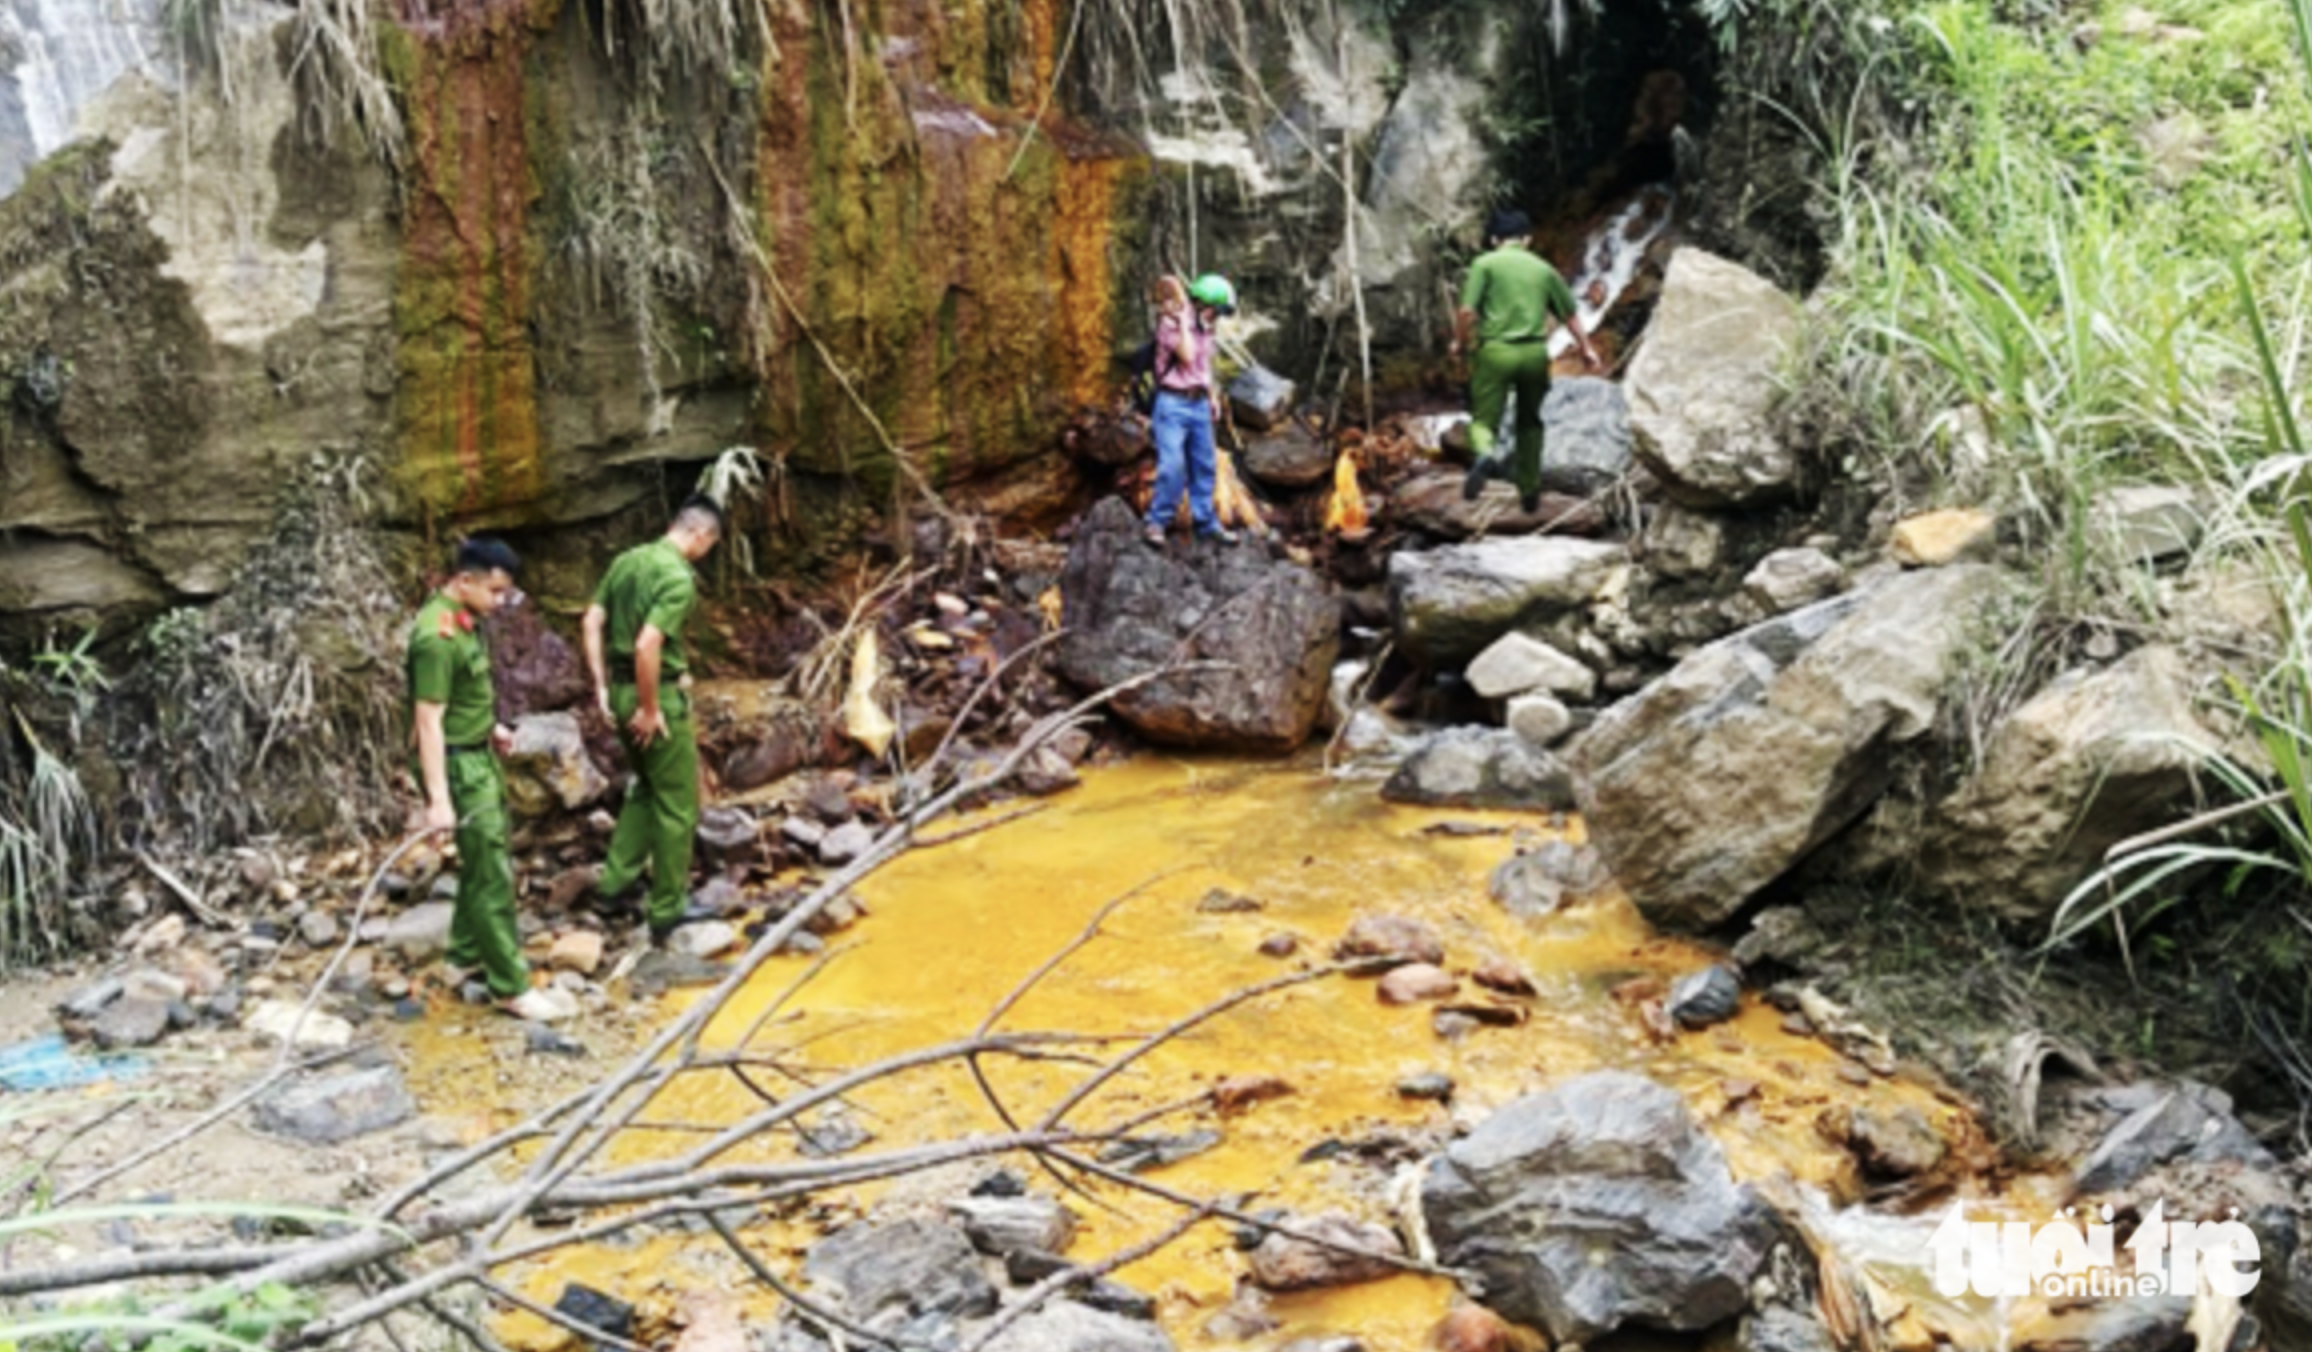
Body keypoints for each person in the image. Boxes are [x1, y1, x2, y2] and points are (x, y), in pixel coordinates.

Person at [406, 536, 565, 1022]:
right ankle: (509, 986)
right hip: (458, 765)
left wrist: (488, 727)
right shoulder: (437, 637)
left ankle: (462, 955)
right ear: (465, 580)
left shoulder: (464, 620)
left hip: (475, 750)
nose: (501, 602)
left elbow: (462, 695)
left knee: (482, 857)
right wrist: (438, 802)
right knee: (493, 869)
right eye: (494, 592)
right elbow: (428, 720)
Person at [583, 496, 724, 943]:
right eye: (710, 544)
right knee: (677, 804)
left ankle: (613, 888)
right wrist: (650, 708)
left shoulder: (628, 561)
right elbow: (648, 644)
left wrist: (602, 686)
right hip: (655, 696)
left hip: (620, 692)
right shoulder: (677, 576)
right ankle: (667, 909)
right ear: (700, 536)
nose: (705, 553)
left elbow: (591, 619)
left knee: (645, 788)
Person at [1451, 210, 1603, 513]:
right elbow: (1570, 315)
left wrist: (1460, 341)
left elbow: (1467, 312)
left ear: (1494, 240)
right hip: (1534, 354)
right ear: (1527, 240)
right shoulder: (1543, 269)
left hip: (1495, 352)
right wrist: (1587, 348)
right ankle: (1530, 492)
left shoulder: (1484, 264)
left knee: (1483, 420)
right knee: (1530, 424)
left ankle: (1484, 454)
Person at [1143, 272, 1239, 548]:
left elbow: (1201, 365)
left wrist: (1212, 396)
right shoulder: (1170, 323)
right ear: (1203, 305)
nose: (1216, 317)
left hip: (1197, 403)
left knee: (1205, 464)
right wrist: (1184, 317)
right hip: (1171, 403)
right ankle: (1157, 522)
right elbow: (1185, 355)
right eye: (1215, 311)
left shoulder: (1206, 327)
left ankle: (1205, 524)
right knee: (1172, 466)